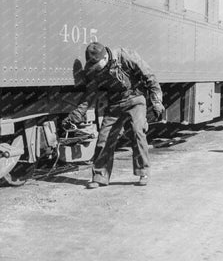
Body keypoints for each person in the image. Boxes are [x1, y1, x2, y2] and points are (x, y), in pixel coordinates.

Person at [62, 42, 164, 188]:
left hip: (135, 99)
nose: (95, 69)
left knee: (137, 131)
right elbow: (89, 96)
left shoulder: (125, 56)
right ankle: (100, 176)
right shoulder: (93, 70)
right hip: (115, 104)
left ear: (105, 58)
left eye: (97, 65)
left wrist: (157, 102)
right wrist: (74, 117)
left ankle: (143, 172)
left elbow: (150, 77)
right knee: (104, 138)